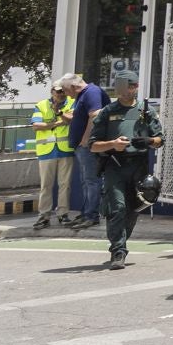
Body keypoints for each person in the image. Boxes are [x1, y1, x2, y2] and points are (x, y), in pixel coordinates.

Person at [86, 71, 162, 269]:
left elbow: (160, 139)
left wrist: (149, 141)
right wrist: (112, 144)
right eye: (128, 86)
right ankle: (118, 251)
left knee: (133, 209)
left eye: (134, 85)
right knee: (117, 207)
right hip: (115, 165)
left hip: (139, 165)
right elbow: (93, 145)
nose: (132, 89)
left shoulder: (146, 111)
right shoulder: (108, 112)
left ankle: (121, 240)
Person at [30, 79, 74, 230]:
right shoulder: (41, 105)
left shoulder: (71, 103)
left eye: (63, 91)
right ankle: (44, 216)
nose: (60, 94)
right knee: (46, 186)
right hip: (46, 151)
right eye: (58, 91)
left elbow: (71, 120)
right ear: (52, 92)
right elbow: (36, 126)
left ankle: (63, 214)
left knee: (65, 184)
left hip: (65, 149)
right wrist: (56, 123)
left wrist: (57, 117)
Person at [63, 72, 106, 229]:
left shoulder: (92, 92)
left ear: (74, 87)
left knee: (92, 181)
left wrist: (86, 139)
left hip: (87, 147)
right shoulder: (82, 95)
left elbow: (95, 115)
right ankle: (86, 212)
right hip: (82, 147)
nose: (66, 94)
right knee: (85, 181)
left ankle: (92, 215)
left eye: (66, 90)